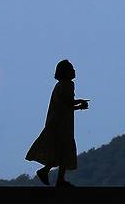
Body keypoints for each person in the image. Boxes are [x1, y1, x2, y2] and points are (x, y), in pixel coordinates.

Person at [26, 59, 89, 187]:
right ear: (66, 72)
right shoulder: (68, 85)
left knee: (59, 151)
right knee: (64, 150)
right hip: (62, 125)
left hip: (56, 122)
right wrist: (80, 103)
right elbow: (68, 103)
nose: (74, 70)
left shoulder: (59, 85)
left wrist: (78, 105)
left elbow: (65, 105)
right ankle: (58, 179)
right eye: (71, 68)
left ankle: (49, 173)